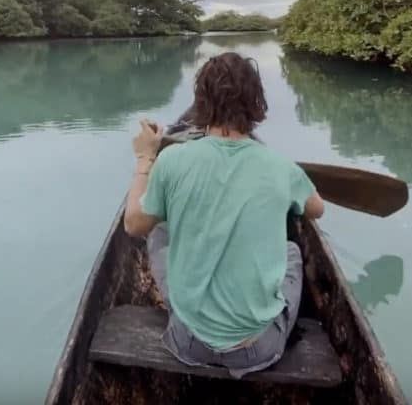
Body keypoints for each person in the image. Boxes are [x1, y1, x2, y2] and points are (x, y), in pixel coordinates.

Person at [122, 51, 325, 377]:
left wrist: (146, 158)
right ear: (256, 104)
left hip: (188, 343)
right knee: (291, 250)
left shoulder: (171, 161)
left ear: (202, 104)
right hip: (258, 349)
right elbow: (317, 209)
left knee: (158, 231)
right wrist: (289, 187)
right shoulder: (281, 167)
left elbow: (133, 224)